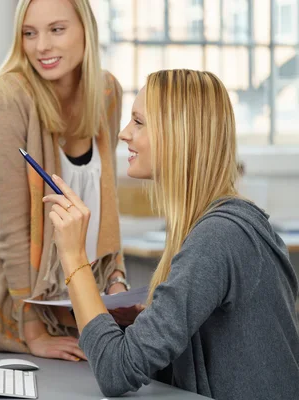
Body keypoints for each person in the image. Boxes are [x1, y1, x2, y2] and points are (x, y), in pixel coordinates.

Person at [43, 69, 299, 399]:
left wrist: (73, 256)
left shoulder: (217, 238)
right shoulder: (227, 223)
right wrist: (146, 324)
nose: (123, 134)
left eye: (138, 122)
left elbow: (115, 371)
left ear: (176, 135)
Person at [0, 0, 129, 360]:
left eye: (56, 30)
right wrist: (33, 331)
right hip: (10, 300)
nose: (41, 46)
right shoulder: (6, 99)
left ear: (85, 30)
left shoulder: (107, 92)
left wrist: (115, 282)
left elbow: (107, 201)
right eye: (29, 33)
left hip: (70, 296)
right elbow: (11, 227)